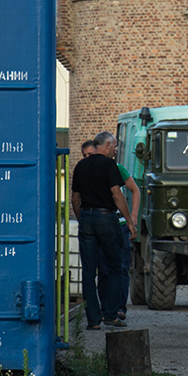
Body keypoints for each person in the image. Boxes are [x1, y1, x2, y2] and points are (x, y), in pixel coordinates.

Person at [71, 131, 136, 330]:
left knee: (89, 273)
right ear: (106, 145)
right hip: (106, 218)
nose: (115, 151)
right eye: (114, 147)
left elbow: (75, 198)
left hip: (88, 217)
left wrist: (84, 219)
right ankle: (110, 315)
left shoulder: (81, 165)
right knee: (116, 267)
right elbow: (117, 195)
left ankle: (93, 320)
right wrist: (130, 222)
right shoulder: (109, 165)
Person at [95, 136, 141, 323]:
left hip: (119, 224)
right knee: (105, 269)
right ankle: (106, 307)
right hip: (104, 223)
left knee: (121, 268)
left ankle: (119, 308)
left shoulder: (118, 168)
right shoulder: (93, 168)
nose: (115, 150)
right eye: (114, 146)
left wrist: (133, 216)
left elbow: (134, 190)